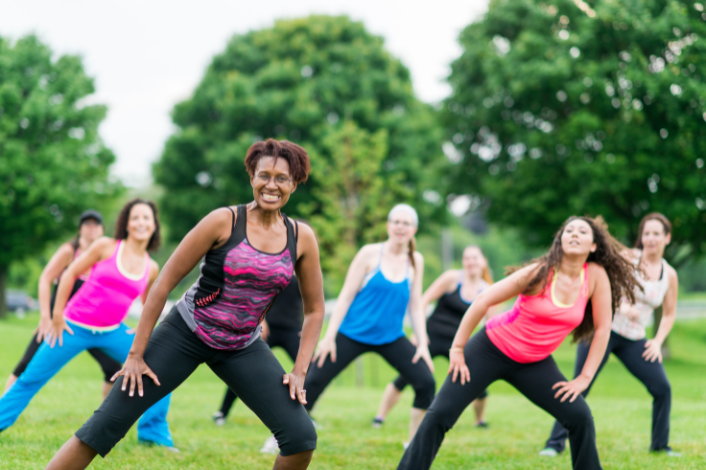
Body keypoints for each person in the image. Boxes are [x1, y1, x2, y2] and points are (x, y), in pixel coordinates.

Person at [45, 139, 325, 470]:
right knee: (106, 424)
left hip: (242, 345)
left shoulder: (301, 237)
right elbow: (163, 284)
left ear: (294, 183)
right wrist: (136, 354)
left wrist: (299, 372)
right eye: (264, 175)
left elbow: (315, 309)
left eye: (282, 178)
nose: (271, 185)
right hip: (186, 333)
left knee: (300, 436)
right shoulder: (223, 221)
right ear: (251, 176)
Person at [397, 216, 641, 470]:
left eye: (582, 231)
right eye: (568, 230)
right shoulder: (539, 272)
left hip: (534, 362)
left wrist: (585, 377)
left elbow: (603, 329)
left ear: (593, 245)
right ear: (560, 239)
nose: (574, 234)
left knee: (579, 417)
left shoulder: (596, 276)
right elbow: (482, 300)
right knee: (439, 415)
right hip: (490, 349)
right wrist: (457, 348)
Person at [0, 200, 174, 450]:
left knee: (160, 369)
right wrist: (57, 314)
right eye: (135, 218)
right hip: (72, 327)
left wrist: (144, 328)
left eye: (146, 218)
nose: (140, 223)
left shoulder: (152, 267)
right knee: (29, 379)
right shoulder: (105, 246)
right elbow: (70, 273)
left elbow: (151, 302)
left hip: (112, 331)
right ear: (126, 223)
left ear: (154, 225)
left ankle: (153, 433)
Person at [540, 213, 680, 457]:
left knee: (662, 388)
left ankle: (660, 445)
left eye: (657, 233)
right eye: (646, 233)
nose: (650, 238)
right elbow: (601, 283)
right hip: (603, 329)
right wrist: (621, 306)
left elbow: (668, 314)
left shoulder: (670, 275)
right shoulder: (627, 257)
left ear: (667, 238)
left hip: (634, 339)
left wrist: (657, 342)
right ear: (641, 237)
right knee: (579, 385)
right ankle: (554, 444)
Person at [304, 204, 436, 447]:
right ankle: (284, 438)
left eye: (406, 223)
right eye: (396, 221)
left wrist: (423, 344)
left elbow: (416, 305)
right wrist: (329, 336)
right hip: (352, 333)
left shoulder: (416, 260)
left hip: (391, 337)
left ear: (413, 229)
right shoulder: (369, 254)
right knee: (313, 379)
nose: (400, 227)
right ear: (388, 226)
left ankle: (414, 444)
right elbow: (345, 296)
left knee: (426, 382)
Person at [3, 210, 122, 400]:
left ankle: (102, 420)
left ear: (102, 230)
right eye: (87, 224)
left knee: (113, 368)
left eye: (96, 224)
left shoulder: (104, 258)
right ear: (80, 229)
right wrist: (45, 317)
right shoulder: (69, 251)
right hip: (56, 322)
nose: (92, 228)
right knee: (26, 364)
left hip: (86, 325)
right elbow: (45, 279)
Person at [373, 245, 493, 429]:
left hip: (457, 344)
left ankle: (480, 420)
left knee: (475, 379)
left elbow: (490, 324)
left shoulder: (487, 290)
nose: (471, 262)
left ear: (483, 261)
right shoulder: (452, 279)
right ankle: (379, 417)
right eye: (467, 258)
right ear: (463, 262)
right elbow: (422, 301)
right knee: (405, 376)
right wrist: (418, 333)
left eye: (475, 258)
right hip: (430, 337)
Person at [212, 275, 305, 454]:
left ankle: (306, 412)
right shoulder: (273, 263)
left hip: (293, 329)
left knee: (309, 368)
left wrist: (305, 326)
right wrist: (260, 320)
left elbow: (311, 301)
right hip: (266, 328)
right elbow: (253, 295)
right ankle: (222, 412)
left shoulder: (303, 267)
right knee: (243, 370)